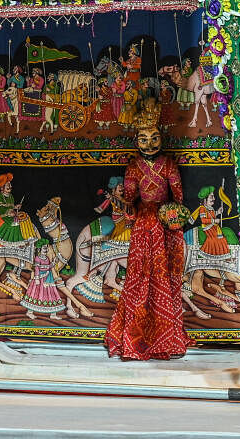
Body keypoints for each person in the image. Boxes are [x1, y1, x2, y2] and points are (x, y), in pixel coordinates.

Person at [105, 98, 194, 361]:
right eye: (143, 138)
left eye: (153, 137)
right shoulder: (143, 165)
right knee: (150, 278)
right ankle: (149, 338)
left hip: (158, 223)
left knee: (156, 278)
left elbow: (175, 197)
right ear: (136, 140)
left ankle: (158, 338)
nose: (149, 143)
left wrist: (171, 214)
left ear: (160, 138)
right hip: (151, 224)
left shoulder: (163, 164)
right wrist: (122, 198)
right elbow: (138, 197)